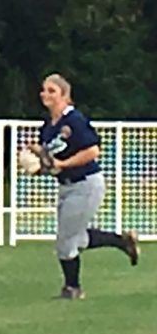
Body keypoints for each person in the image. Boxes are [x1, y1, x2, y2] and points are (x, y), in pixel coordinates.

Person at [31, 73, 139, 299]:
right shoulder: (49, 126)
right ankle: (121, 241)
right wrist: (37, 161)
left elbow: (92, 151)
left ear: (64, 95)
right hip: (67, 186)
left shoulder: (74, 119)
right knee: (76, 238)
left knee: (65, 241)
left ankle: (73, 288)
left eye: (52, 90)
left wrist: (62, 163)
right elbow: (50, 162)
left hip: (86, 184)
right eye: (44, 90)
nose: (45, 94)